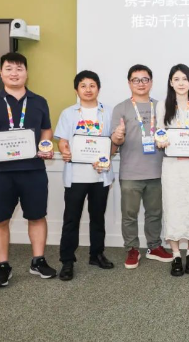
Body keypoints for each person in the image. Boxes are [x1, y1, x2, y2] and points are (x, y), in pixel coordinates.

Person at [0, 52, 56, 288]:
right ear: (1, 73)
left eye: (19, 69)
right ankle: (3, 266)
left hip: (33, 169)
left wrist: (45, 145)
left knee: (37, 216)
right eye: (9, 69)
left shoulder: (39, 101)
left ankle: (38, 261)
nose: (14, 73)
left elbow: (46, 129)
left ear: (26, 73)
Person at [54, 70, 117, 281]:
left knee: (98, 218)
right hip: (76, 176)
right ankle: (67, 261)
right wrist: (64, 150)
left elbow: (114, 143)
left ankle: (96, 254)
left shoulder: (109, 112)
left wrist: (109, 154)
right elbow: (63, 141)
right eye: (83, 85)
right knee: (71, 220)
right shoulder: (68, 113)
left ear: (98, 88)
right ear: (76, 89)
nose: (88, 89)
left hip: (100, 176)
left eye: (92, 85)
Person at [110, 64, 173, 269]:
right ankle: (132, 249)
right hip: (130, 172)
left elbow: (171, 134)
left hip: (158, 170)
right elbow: (115, 142)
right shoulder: (121, 108)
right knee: (129, 215)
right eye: (136, 80)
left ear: (151, 82)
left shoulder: (161, 107)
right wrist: (117, 136)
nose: (141, 83)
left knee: (155, 213)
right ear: (129, 83)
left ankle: (154, 246)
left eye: (145, 79)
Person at [156, 64, 189, 277]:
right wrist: (161, 141)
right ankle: (176, 254)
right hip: (172, 166)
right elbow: (159, 132)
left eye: (185, 79)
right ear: (170, 82)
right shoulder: (162, 105)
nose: (181, 83)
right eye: (176, 79)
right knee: (173, 207)